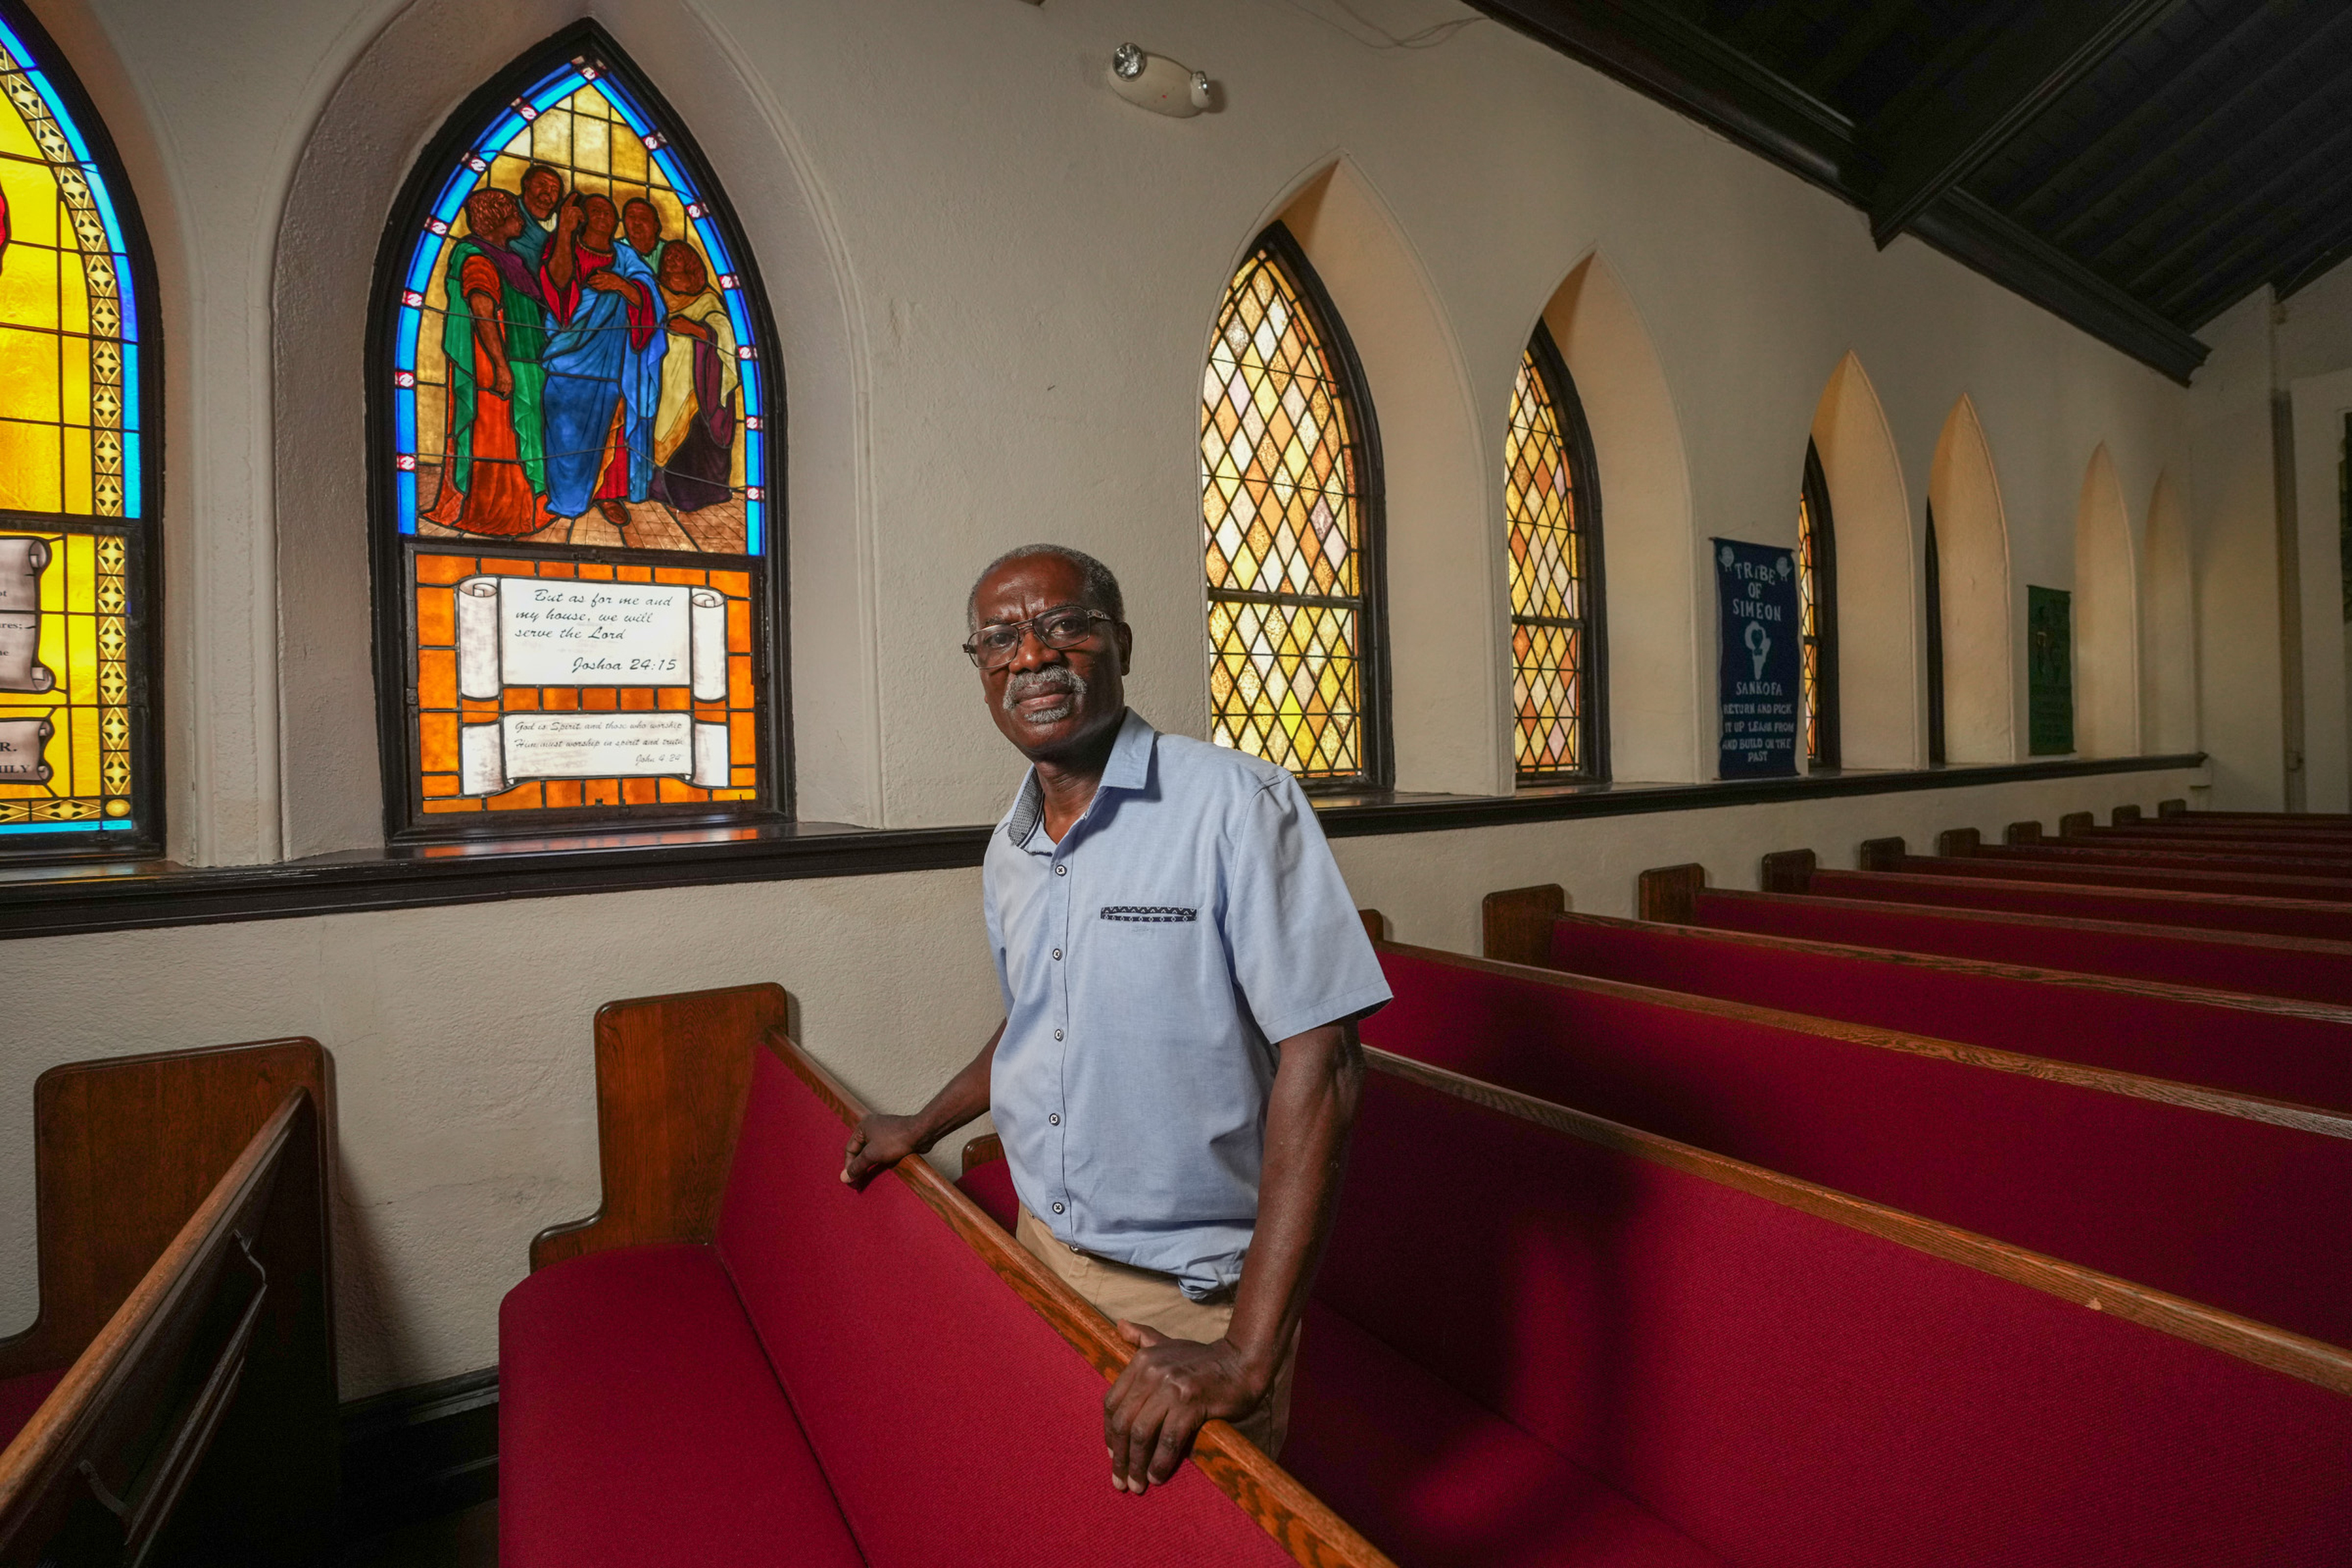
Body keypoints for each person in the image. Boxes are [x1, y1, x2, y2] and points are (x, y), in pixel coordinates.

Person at [841, 545, 1388, 1494]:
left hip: (1181, 1296)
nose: (1031, 658)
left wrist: (1249, 1351)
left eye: (1063, 626)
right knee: (1055, 1513)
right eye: (1000, 640)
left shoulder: (1236, 804)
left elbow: (1327, 1061)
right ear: (980, 670)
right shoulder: (1010, 845)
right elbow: (1038, 1023)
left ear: (1119, 642)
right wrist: (920, 1127)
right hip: (1042, 1243)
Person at [421, 186, 551, 535]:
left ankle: (526, 507)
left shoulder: (510, 259)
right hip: (495, 364)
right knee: (499, 436)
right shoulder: (478, 257)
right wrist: (501, 365)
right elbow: (483, 311)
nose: (520, 219)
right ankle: (497, 512)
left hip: (526, 356)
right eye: (513, 213)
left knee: (524, 434)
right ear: (497, 219)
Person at [536, 191, 664, 530]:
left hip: (614, 361)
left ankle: (608, 494)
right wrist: (563, 232)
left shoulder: (626, 257)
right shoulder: (566, 247)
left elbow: (650, 302)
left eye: (610, 212)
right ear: (581, 217)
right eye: (595, 211)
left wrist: (620, 285)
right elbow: (558, 284)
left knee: (614, 422)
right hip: (568, 355)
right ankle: (565, 498)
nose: (605, 217)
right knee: (562, 422)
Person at [649, 242, 737, 514]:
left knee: (697, 440)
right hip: (667, 384)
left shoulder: (708, 299)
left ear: (692, 265)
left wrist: (697, 331)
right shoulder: (660, 296)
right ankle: (665, 490)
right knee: (664, 433)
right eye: (669, 256)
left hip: (700, 389)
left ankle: (700, 494)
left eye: (680, 256)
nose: (673, 259)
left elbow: (725, 336)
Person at [511, 162, 565, 269]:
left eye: (554, 190)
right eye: (542, 184)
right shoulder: (509, 212)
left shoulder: (563, 225)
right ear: (527, 183)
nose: (548, 191)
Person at [621, 196, 667, 274]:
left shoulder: (668, 252)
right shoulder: (617, 249)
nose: (637, 222)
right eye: (631, 217)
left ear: (656, 226)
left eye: (644, 218)